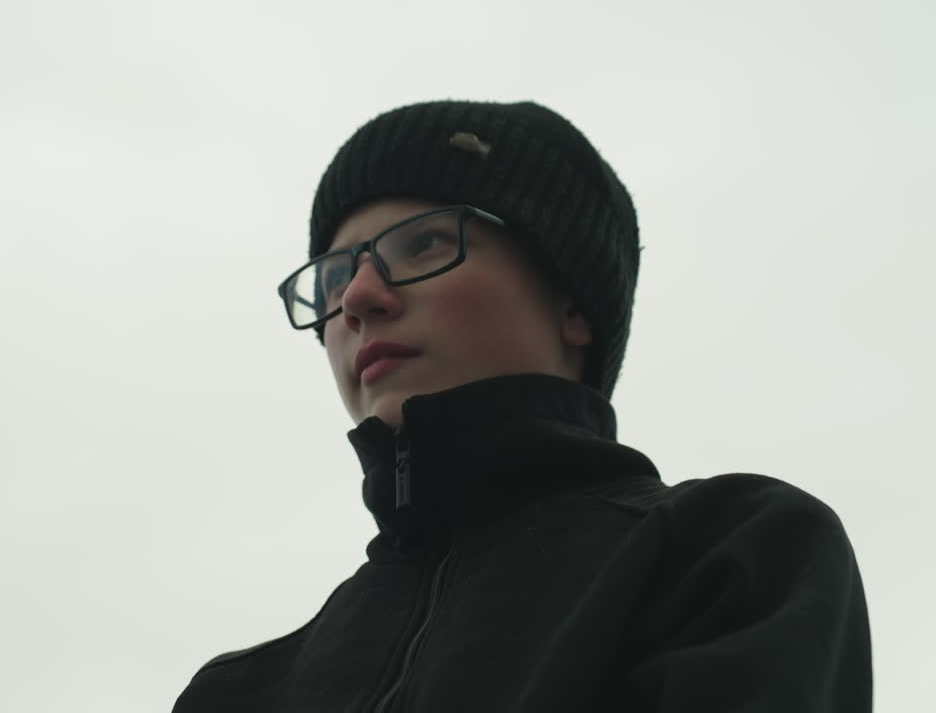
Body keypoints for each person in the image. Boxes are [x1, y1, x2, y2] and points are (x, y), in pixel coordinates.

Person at [172, 100, 872, 712]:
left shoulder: (727, 552)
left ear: (573, 304)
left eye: (421, 244)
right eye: (332, 277)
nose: (356, 299)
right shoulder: (239, 692)